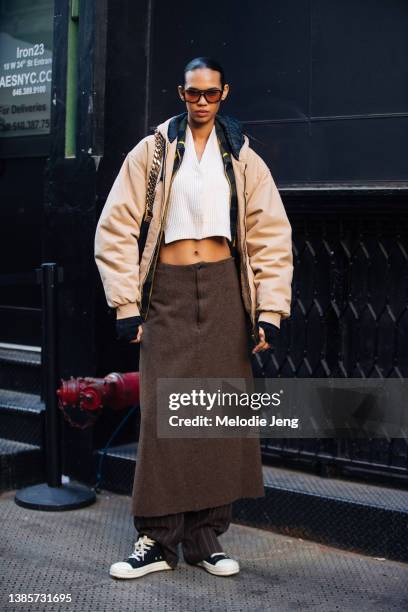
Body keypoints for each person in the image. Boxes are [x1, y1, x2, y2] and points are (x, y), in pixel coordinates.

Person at [94, 56, 293, 579]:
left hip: (227, 289)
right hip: (170, 292)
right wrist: (126, 305)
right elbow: (114, 226)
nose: (201, 103)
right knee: (163, 417)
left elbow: (271, 233)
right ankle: (157, 542)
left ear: (224, 92)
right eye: (191, 94)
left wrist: (269, 310)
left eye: (210, 94)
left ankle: (206, 540)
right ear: (180, 93)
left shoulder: (243, 155)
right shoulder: (155, 151)